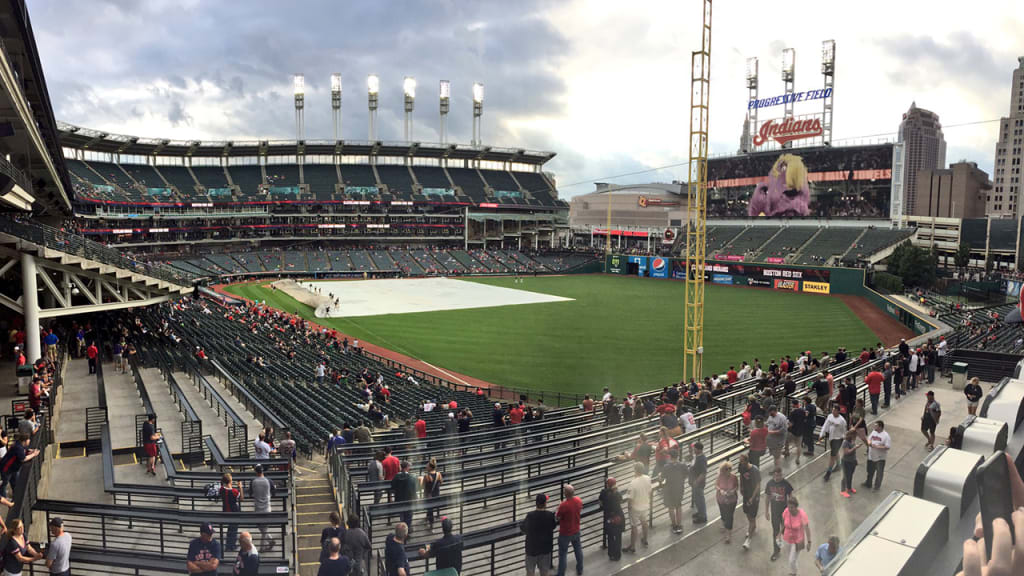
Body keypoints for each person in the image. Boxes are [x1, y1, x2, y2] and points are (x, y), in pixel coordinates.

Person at [521, 494, 557, 576]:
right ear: (545, 504)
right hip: (545, 549)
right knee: (544, 572)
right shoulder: (550, 515)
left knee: (530, 572)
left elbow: (523, 529)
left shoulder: (530, 516)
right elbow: (553, 526)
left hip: (532, 550)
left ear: (536, 503)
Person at [765, 466, 794, 562]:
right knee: (776, 531)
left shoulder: (785, 483)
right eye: (776, 475)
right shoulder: (769, 484)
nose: (778, 477)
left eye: (780, 475)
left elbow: (790, 495)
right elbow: (768, 497)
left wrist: (791, 508)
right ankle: (776, 551)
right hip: (774, 512)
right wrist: (766, 511)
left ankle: (787, 538)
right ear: (774, 475)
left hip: (785, 511)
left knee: (785, 529)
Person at [555, 484, 583, 576]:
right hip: (576, 530)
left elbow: (557, 517)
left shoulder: (564, 505)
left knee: (563, 555)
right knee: (578, 550)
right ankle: (580, 569)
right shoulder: (578, 500)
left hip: (565, 533)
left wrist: (558, 508)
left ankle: (561, 573)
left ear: (565, 493)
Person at [0, 433, 39, 498]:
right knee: (4, 484)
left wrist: (30, 451)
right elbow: (23, 459)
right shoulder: (18, 447)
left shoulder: (19, 444)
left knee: (15, 483)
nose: (29, 441)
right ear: (25, 441)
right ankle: (4, 498)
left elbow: (23, 452)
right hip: (6, 469)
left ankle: (15, 496)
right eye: (28, 439)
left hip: (13, 469)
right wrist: (34, 454)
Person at [624, 462, 651, 553]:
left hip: (635, 508)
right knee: (644, 522)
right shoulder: (648, 478)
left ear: (635, 470)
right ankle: (645, 539)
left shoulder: (633, 483)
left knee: (634, 527)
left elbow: (630, 499)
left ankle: (632, 546)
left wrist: (629, 507)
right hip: (645, 505)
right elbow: (649, 491)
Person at [781, 497, 811, 575]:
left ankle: (794, 574)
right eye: (788, 506)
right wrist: (779, 534)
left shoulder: (802, 514)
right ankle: (794, 571)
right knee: (792, 559)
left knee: (791, 560)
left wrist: (809, 542)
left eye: (792, 507)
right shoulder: (786, 511)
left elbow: (807, 528)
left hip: (797, 541)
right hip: (787, 539)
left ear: (796, 507)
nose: (790, 509)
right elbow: (784, 524)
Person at [738, 453, 761, 551]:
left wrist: (752, 497)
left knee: (752, 516)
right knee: (748, 514)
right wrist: (741, 487)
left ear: (746, 461)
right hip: (746, 495)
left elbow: (758, 485)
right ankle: (753, 526)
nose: (740, 462)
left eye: (742, 461)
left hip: (754, 497)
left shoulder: (754, 470)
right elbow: (741, 477)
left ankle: (748, 540)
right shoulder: (742, 467)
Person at [661, 449, 687, 535]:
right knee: (678, 506)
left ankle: (674, 525)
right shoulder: (682, 465)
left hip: (669, 489)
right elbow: (686, 475)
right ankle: (679, 525)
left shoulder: (666, 466)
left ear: (670, 456)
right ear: (677, 456)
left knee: (671, 507)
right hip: (679, 488)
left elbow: (662, 478)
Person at [598, 478, 624, 561]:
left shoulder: (604, 492)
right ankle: (618, 555)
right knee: (618, 536)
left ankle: (611, 554)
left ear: (607, 485)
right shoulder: (617, 493)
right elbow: (621, 500)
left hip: (609, 517)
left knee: (610, 536)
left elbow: (600, 503)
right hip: (618, 517)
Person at [819, 405, 847, 482]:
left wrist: (844, 439)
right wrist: (822, 434)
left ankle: (828, 473)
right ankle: (839, 464)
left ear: (838, 411)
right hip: (831, 437)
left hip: (838, 439)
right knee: (835, 452)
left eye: (834, 410)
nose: (833, 411)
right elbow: (825, 425)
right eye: (832, 410)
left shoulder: (842, 420)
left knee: (832, 456)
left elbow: (844, 431)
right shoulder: (830, 416)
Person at [250, 465, 274, 551]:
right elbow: (274, 493)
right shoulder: (269, 481)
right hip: (267, 508)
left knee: (262, 527)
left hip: (257, 508)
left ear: (256, 472)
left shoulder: (253, 481)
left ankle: (262, 547)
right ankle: (270, 540)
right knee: (264, 528)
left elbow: (250, 494)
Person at [862, 420, 891, 492]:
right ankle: (868, 483)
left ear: (880, 427)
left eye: (876, 426)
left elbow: (887, 447)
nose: (874, 427)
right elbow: (869, 439)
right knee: (870, 470)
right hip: (871, 456)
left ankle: (877, 486)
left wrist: (877, 447)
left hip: (880, 457)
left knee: (879, 472)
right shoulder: (874, 432)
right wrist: (869, 443)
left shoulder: (886, 436)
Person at [716, 461, 739, 544]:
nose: (729, 470)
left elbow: (736, 486)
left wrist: (732, 491)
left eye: (730, 469)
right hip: (721, 499)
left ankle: (728, 534)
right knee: (723, 514)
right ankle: (724, 525)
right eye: (727, 469)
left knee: (729, 516)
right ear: (723, 470)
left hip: (731, 500)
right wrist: (720, 490)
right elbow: (716, 485)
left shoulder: (734, 477)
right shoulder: (720, 476)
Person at [391, 461, 418, 533]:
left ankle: (403, 529)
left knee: (401, 515)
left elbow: (393, 486)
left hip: (399, 500)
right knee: (409, 516)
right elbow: (415, 488)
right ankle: (408, 528)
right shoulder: (412, 477)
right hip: (409, 500)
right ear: (407, 468)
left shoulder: (396, 477)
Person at [219, 473, 243, 552]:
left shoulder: (221, 489)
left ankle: (228, 544)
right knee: (234, 529)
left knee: (230, 528)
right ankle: (231, 546)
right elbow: (241, 498)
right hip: (234, 512)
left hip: (226, 511)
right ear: (230, 481)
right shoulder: (234, 491)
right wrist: (240, 487)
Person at [764, 405, 788, 469]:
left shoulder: (782, 418)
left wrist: (773, 432)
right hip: (772, 440)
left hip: (779, 440)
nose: (769, 414)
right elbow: (768, 423)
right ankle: (776, 469)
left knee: (777, 456)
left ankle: (777, 470)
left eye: (771, 412)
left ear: (775, 411)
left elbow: (784, 429)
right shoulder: (771, 416)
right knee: (774, 456)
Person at [421, 458, 443, 527]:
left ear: (430, 467)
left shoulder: (427, 476)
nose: (426, 467)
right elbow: (441, 482)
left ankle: (431, 524)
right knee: (430, 508)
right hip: (436, 494)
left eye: (427, 466)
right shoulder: (438, 474)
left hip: (429, 495)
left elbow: (422, 486)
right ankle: (427, 518)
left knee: (430, 509)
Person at [690, 441, 708, 524]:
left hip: (698, 483)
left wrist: (697, 482)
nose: (693, 449)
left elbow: (703, 473)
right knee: (697, 499)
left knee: (700, 499)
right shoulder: (696, 456)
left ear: (699, 450)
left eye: (694, 448)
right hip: (694, 481)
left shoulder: (702, 459)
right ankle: (700, 512)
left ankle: (703, 516)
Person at [839, 429, 859, 498]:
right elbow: (846, 452)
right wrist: (855, 448)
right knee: (845, 476)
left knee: (850, 475)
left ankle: (849, 488)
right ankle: (843, 490)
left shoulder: (852, 440)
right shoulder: (845, 442)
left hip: (852, 461)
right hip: (846, 461)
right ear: (851, 435)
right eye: (855, 436)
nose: (856, 437)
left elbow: (853, 451)